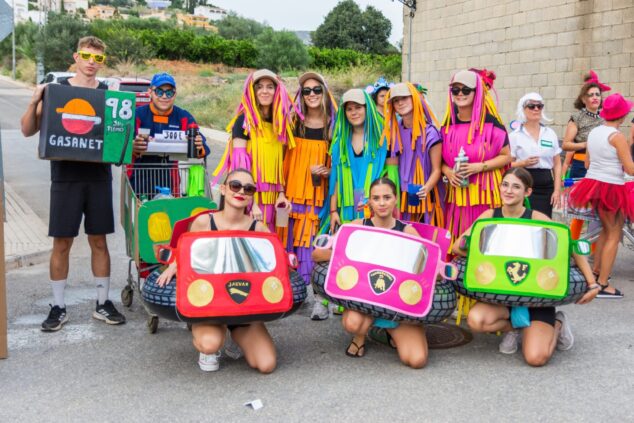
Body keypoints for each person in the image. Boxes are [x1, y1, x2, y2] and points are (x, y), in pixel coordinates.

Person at [20, 36, 125, 331]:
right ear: (76, 57)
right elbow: (28, 130)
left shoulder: (108, 94)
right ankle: (58, 306)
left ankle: (102, 303)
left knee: (99, 242)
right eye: (86, 56)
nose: (92, 63)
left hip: (98, 178)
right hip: (64, 177)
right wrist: (34, 100)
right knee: (62, 243)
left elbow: (120, 138)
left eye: (98, 59)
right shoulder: (56, 92)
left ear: (103, 62)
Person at [453, 168, 598, 366]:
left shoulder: (536, 218)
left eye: (516, 186)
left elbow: (572, 247)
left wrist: (592, 284)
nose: (509, 190)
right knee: (476, 320)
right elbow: (458, 246)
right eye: (505, 184)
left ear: (527, 192)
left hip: (537, 297)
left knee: (536, 358)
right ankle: (515, 328)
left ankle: (558, 324)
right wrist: (479, 251)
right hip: (502, 293)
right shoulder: (489, 216)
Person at [156, 169, 276, 373]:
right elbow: (187, 253)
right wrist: (173, 267)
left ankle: (236, 337)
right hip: (210, 305)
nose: (241, 192)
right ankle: (210, 341)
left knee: (267, 364)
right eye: (235, 186)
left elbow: (271, 265)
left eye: (248, 189)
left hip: (244, 307)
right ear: (223, 189)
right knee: (210, 343)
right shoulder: (204, 222)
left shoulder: (259, 229)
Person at [312, 177, 429, 368]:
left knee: (417, 360)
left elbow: (428, 270)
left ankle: (387, 331)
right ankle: (361, 335)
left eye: (387, 197)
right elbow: (318, 254)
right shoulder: (358, 226)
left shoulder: (407, 231)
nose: (382, 203)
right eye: (376, 198)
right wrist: (344, 256)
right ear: (369, 201)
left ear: (395, 199)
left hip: (397, 309)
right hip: (365, 303)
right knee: (353, 323)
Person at [212, 69, 297, 231]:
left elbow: (278, 164)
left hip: (272, 198)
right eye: (260, 87)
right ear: (253, 90)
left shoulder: (279, 124)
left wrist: (280, 193)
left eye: (270, 86)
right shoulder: (244, 121)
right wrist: (252, 203)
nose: (265, 91)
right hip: (250, 198)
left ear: (276, 90)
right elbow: (238, 167)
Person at [281, 72, 336, 320]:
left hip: (318, 196)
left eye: (317, 90)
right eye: (306, 90)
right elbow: (281, 157)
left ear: (324, 92)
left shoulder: (333, 124)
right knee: (289, 242)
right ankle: (290, 293)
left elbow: (340, 162)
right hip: (291, 194)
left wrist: (329, 172)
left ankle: (321, 299)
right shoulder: (293, 121)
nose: (312, 95)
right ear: (300, 95)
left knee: (315, 244)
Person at [568, 93, 634, 299]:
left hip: (593, 185)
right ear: (622, 116)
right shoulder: (617, 137)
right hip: (612, 188)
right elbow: (630, 169)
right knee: (614, 235)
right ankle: (603, 284)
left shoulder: (595, 132)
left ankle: (597, 271)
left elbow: (587, 164)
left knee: (607, 230)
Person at [440, 69, 512, 241]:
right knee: (459, 238)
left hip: (485, 192)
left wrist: (480, 166)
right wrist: (448, 172)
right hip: (457, 194)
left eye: (466, 90)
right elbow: (439, 160)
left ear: (477, 92)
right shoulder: (446, 126)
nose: (460, 94)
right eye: (455, 90)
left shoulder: (492, 124)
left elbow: (506, 156)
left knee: (485, 238)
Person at [131, 72, 210, 196]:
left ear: (175, 95)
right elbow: (119, 146)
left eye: (169, 92)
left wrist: (199, 146)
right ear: (150, 92)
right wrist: (132, 146)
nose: (164, 96)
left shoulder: (183, 117)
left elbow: (204, 148)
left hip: (170, 185)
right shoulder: (137, 114)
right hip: (138, 181)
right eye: (159, 91)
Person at [383, 82, 444, 224]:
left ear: (415, 99)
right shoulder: (393, 131)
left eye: (404, 98)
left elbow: (437, 169)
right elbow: (392, 167)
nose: (400, 103)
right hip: (402, 197)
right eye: (396, 101)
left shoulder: (430, 132)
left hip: (428, 196)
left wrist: (426, 188)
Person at [327, 89, 387, 232]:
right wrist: (333, 211)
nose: (354, 112)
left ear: (367, 108)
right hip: (346, 211)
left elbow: (388, 175)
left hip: (375, 211)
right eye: (349, 109)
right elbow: (335, 180)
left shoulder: (382, 139)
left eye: (358, 107)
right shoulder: (339, 144)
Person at [561, 72, 610, 241]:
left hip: (602, 167)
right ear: (583, 99)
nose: (595, 97)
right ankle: (573, 247)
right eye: (591, 95)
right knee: (581, 213)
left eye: (597, 94)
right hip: (582, 166)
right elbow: (566, 144)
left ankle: (593, 252)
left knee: (599, 213)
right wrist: (587, 144)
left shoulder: (606, 117)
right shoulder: (577, 117)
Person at [509, 93, 561, 217]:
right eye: (531, 106)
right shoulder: (514, 136)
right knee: (525, 221)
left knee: (543, 222)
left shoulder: (550, 133)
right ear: (523, 109)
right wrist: (522, 163)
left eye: (540, 106)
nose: (536, 109)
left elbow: (557, 164)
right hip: (524, 182)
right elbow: (507, 165)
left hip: (546, 185)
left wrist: (557, 190)